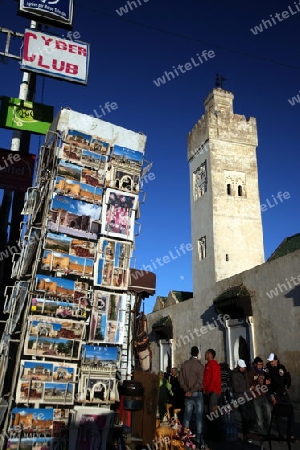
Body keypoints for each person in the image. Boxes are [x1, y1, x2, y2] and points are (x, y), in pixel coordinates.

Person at [178, 346, 209, 450]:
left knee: (187, 416)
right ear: (197, 354)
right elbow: (200, 382)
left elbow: (180, 380)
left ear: (190, 353)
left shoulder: (184, 365)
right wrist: (191, 391)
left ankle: (185, 437)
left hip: (187, 394)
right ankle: (199, 439)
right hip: (196, 393)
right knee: (199, 418)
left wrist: (186, 390)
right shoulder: (199, 366)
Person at [231, 359, 255, 441]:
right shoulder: (234, 374)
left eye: (244, 367)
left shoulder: (245, 373)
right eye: (242, 368)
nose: (243, 369)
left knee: (250, 415)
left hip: (248, 396)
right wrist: (248, 390)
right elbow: (236, 388)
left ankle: (248, 431)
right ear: (238, 366)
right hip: (240, 397)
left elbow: (247, 383)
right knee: (244, 416)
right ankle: (246, 434)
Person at [249, 357, 271, 434]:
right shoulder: (251, 372)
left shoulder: (264, 371)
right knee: (259, 415)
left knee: (268, 413)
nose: (260, 366)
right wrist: (256, 384)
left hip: (264, 395)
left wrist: (267, 381)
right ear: (255, 364)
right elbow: (249, 384)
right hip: (255, 396)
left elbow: (268, 379)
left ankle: (268, 429)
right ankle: (261, 432)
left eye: (262, 364)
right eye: (259, 365)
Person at [203, 349, 222, 440]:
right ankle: (210, 432)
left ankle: (217, 434)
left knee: (213, 412)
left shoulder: (214, 364)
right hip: (207, 391)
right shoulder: (207, 365)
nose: (205, 355)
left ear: (210, 354)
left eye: (206, 353)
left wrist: (209, 389)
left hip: (213, 391)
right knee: (207, 412)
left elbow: (214, 378)